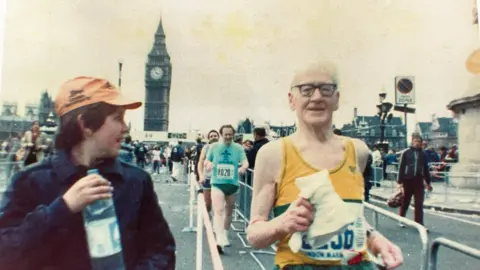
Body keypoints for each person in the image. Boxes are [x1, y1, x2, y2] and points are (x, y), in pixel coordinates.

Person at [0, 76, 175, 270]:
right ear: (86, 125)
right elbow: (6, 253)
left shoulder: (136, 181)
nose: (125, 128)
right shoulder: (30, 182)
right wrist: (62, 208)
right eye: (118, 118)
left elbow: (161, 250)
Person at [246, 61, 403, 269]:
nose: (317, 97)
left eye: (325, 89)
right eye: (307, 89)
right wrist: (282, 223)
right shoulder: (274, 154)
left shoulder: (358, 151)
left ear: (336, 98)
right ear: (292, 99)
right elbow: (255, 235)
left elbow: (347, 216)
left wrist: (374, 239)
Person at [205, 125, 248, 248]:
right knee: (218, 210)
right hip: (217, 183)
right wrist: (208, 165)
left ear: (233, 135)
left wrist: (243, 168)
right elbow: (207, 160)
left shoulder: (238, 148)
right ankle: (219, 237)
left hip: (232, 183)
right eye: (226, 134)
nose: (228, 136)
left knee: (229, 211)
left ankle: (225, 233)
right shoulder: (214, 147)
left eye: (230, 134)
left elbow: (245, 162)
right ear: (221, 135)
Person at [397, 134, 432, 228]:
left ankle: (419, 223)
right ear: (412, 142)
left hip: (418, 180)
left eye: (419, 142)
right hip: (407, 180)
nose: (417, 143)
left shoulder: (423, 154)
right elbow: (401, 167)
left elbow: (425, 169)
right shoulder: (406, 153)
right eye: (415, 141)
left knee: (419, 203)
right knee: (405, 201)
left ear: (421, 143)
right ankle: (401, 220)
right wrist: (399, 182)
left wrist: (428, 182)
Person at [197, 129, 220, 212]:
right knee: (208, 204)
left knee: (219, 205)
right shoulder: (206, 148)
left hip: (220, 179)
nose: (213, 137)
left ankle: (217, 223)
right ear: (208, 138)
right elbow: (200, 162)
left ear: (218, 137)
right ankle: (207, 222)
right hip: (208, 179)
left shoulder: (224, 147)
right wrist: (201, 175)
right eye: (211, 136)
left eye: (215, 136)